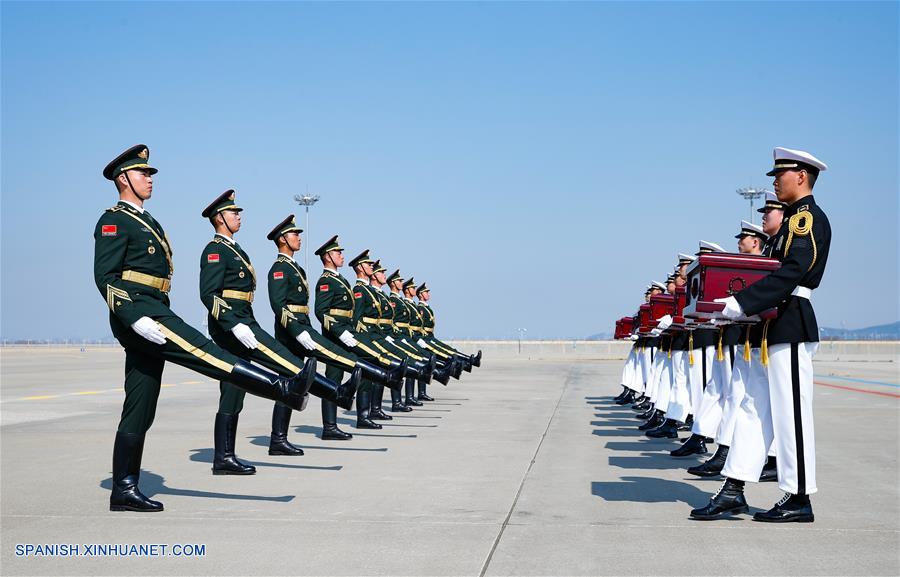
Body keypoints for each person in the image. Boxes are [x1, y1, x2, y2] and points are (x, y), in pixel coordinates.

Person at [95, 145, 313, 512]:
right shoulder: (114, 220)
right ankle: (283, 388)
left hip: (154, 307)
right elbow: (105, 276)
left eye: (150, 174)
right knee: (204, 352)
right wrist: (134, 317)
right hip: (142, 313)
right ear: (123, 178)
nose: (150, 179)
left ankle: (124, 487)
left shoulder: (147, 220)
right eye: (143, 173)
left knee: (141, 403)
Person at [695, 147, 830, 523]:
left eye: (779, 175)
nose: (774, 181)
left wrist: (742, 302)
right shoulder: (789, 223)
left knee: (792, 415)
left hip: (791, 323)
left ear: (800, 176)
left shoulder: (807, 220)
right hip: (769, 326)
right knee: (752, 411)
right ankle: (734, 489)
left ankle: (799, 496)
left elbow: (792, 273)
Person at [266, 220, 405, 440]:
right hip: (292, 333)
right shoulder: (284, 269)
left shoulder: (298, 269)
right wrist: (300, 330)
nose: (299, 237)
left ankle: (285, 437)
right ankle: (289, 435)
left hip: (306, 330)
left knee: (299, 382)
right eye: (294, 234)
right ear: (282, 239)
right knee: (289, 382)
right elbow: (288, 305)